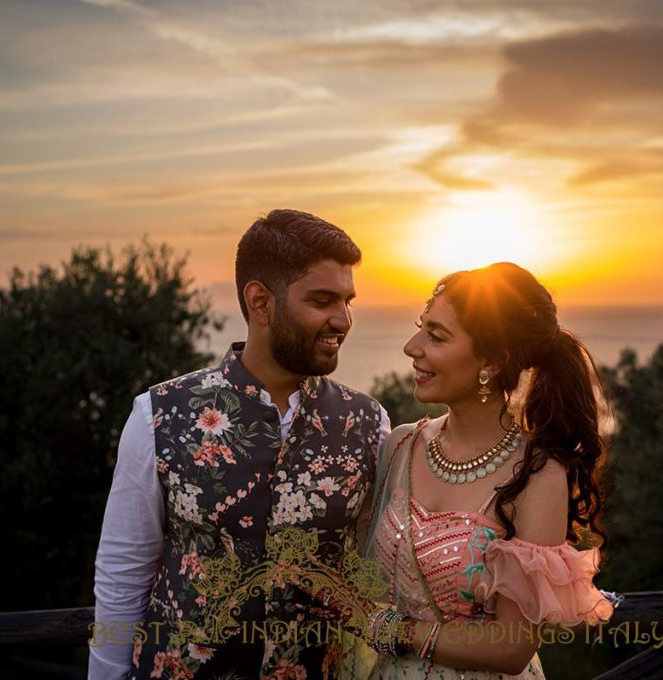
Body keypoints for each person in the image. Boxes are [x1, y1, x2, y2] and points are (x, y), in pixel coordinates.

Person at [89, 209, 390, 680]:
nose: (343, 319)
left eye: (348, 300)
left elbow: (378, 572)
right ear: (260, 302)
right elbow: (124, 569)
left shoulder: (370, 424)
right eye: (323, 300)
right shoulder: (160, 415)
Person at [301, 262, 617, 679]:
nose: (412, 347)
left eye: (436, 336)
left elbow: (512, 648)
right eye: (421, 327)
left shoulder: (538, 475)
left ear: (491, 361)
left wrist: (382, 627)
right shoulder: (400, 446)